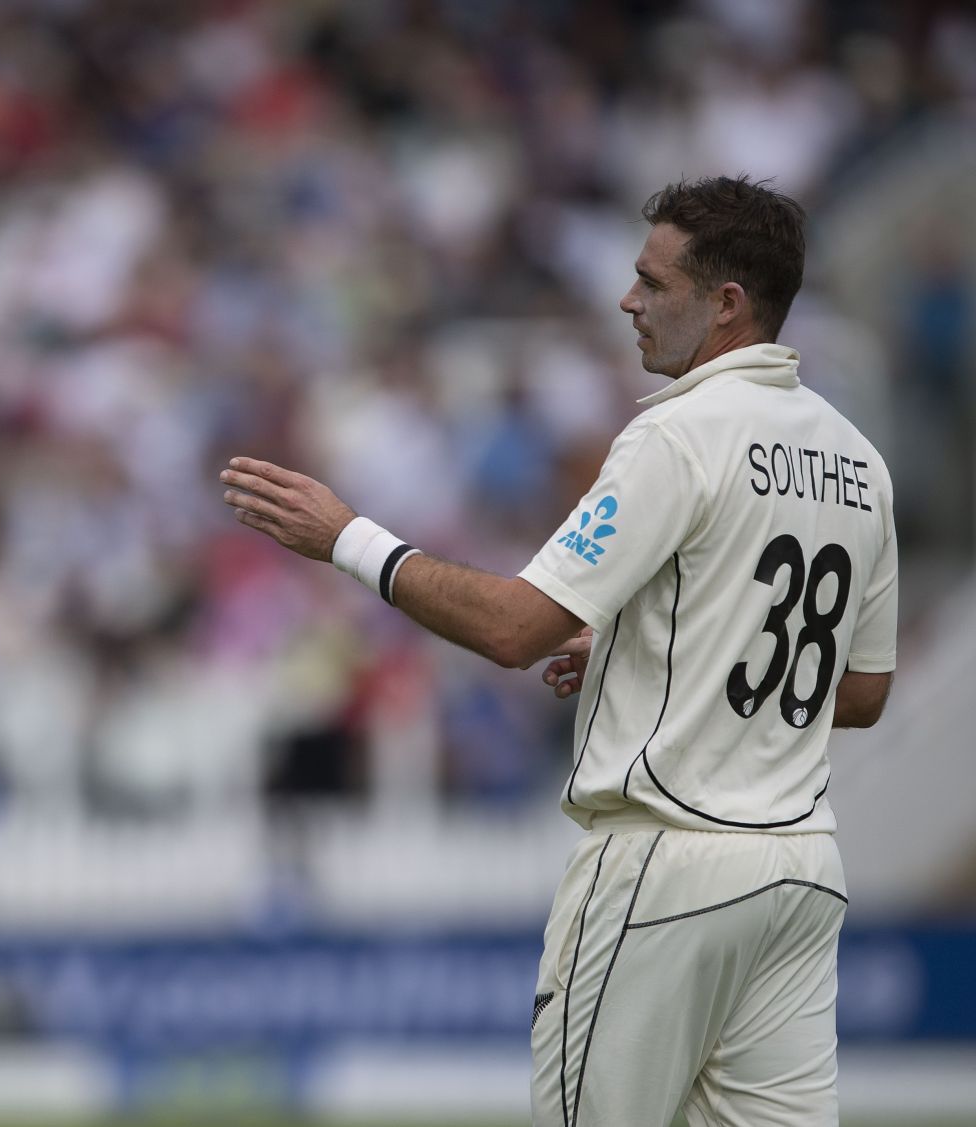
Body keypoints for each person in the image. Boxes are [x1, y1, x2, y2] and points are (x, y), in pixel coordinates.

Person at [221, 176, 896, 1125]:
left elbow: (510, 629)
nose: (628, 300)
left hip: (665, 864)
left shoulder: (677, 434)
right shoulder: (857, 459)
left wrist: (346, 537)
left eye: (652, 281)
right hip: (797, 871)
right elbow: (860, 689)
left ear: (727, 305)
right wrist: (649, 650)